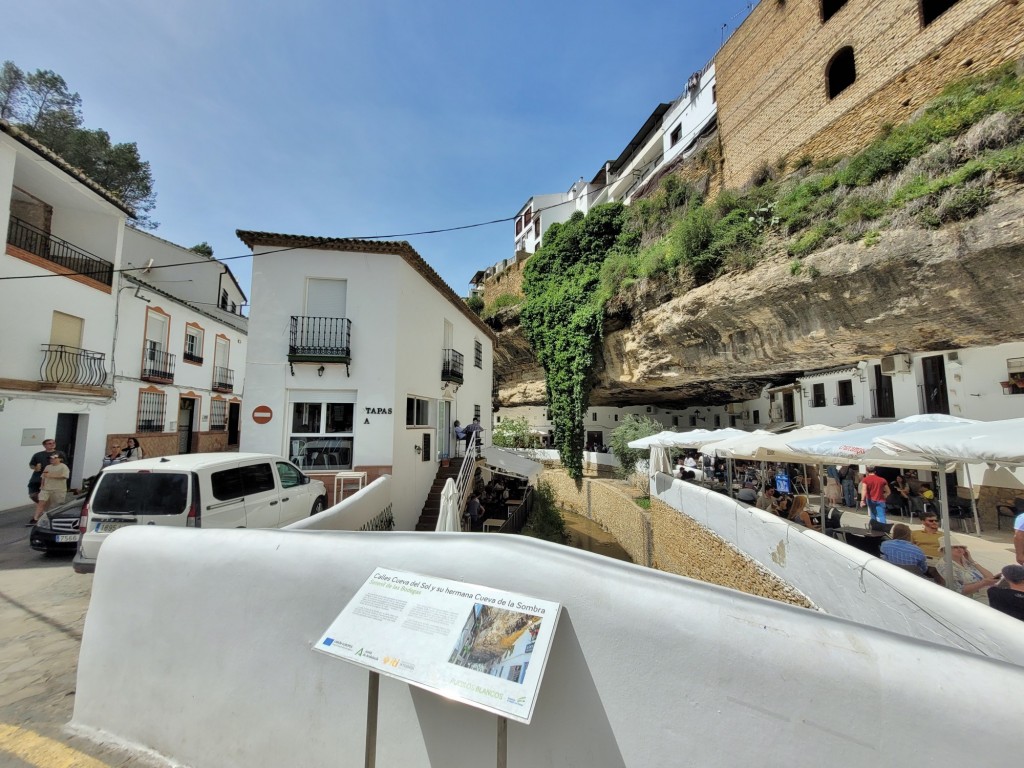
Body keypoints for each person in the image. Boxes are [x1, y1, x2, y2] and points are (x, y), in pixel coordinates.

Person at [31, 453, 70, 525]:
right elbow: (43, 476)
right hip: (46, 489)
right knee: (41, 503)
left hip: (58, 489)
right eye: (51, 458)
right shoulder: (47, 467)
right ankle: (35, 518)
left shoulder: (63, 467)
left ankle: (53, 518)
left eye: (54, 458)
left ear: (60, 459)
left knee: (56, 504)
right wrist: (42, 486)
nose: (52, 459)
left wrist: (51, 475)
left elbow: (64, 476)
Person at [27, 438, 64, 503]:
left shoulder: (60, 453)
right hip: (37, 478)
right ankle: (44, 506)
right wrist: (35, 467)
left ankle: (45, 508)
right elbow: (31, 465)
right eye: (50, 443)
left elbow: (64, 464)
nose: (52, 444)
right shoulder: (38, 455)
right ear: (44, 445)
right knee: (33, 495)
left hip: (51, 478)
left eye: (53, 443)